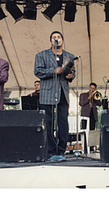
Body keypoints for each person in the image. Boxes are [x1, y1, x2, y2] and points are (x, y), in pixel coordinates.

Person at [34, 31, 75, 160]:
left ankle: (62, 150)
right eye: (54, 37)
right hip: (47, 93)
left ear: (63, 40)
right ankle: (51, 151)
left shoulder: (69, 56)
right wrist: (54, 71)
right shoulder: (41, 55)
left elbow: (72, 74)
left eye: (59, 37)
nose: (56, 39)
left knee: (63, 122)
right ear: (50, 41)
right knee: (49, 122)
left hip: (63, 92)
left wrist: (70, 76)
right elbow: (38, 71)